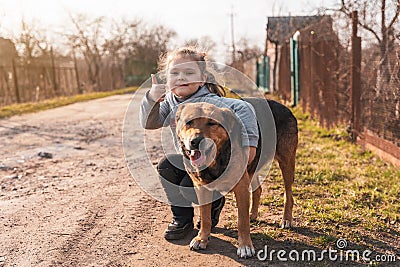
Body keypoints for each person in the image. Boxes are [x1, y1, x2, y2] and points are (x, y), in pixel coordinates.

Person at [139, 46, 259, 240]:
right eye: (174, 73)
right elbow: (149, 123)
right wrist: (152, 99)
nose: (181, 77)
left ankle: (214, 203)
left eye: (189, 72)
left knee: (190, 189)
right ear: (166, 78)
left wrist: (249, 145)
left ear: (202, 78)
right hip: (193, 159)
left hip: (216, 163)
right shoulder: (170, 101)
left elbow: (243, 107)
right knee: (167, 166)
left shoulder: (211, 102)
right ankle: (182, 219)